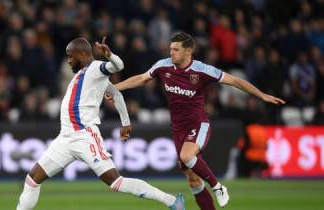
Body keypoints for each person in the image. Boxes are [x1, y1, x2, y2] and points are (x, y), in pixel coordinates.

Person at [113, 32, 285, 210]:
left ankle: (218, 187)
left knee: (186, 156)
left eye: (176, 50)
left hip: (198, 124)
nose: (171, 53)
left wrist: (261, 95)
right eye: (170, 49)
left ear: (188, 51)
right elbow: (141, 78)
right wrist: (114, 88)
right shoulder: (163, 66)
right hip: (178, 129)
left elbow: (235, 81)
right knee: (193, 180)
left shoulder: (202, 70)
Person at [16, 37, 186, 210]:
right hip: (65, 139)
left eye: (70, 56)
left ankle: (171, 201)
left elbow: (118, 66)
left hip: (84, 136)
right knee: (32, 179)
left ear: (82, 54)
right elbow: (116, 94)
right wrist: (125, 123)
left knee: (116, 182)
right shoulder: (86, 75)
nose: (68, 60)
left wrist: (110, 55)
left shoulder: (96, 68)